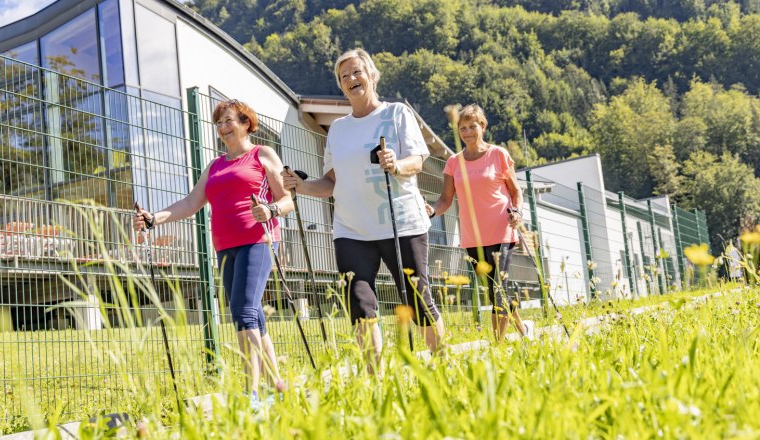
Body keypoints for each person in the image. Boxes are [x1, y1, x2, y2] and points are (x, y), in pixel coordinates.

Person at [282, 48, 445, 371]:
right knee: (359, 303)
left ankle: (443, 366)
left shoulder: (396, 113)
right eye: (344, 76)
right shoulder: (339, 129)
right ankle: (374, 380)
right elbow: (331, 183)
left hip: (401, 223)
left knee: (417, 300)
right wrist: (301, 186)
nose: (351, 79)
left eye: (357, 72)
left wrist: (396, 165)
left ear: (372, 76)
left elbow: (417, 161)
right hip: (352, 230)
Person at [134, 100, 291, 407]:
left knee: (244, 312)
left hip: (258, 240)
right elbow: (190, 203)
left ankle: (251, 395)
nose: (223, 127)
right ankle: (276, 388)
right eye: (218, 123)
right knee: (252, 314)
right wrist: (154, 218)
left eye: (229, 120)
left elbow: (286, 199)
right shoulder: (215, 166)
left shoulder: (262, 154)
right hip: (225, 246)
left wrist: (271, 210)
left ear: (246, 123)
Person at [426, 104, 531, 342]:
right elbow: (445, 199)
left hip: (501, 229)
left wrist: (517, 211)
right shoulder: (453, 162)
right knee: (494, 289)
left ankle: (497, 347)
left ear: (483, 126)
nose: (467, 132)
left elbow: (516, 192)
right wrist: (432, 211)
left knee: (498, 289)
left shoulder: (499, 155)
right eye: (462, 128)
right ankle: (523, 330)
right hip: (472, 236)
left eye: (472, 126)